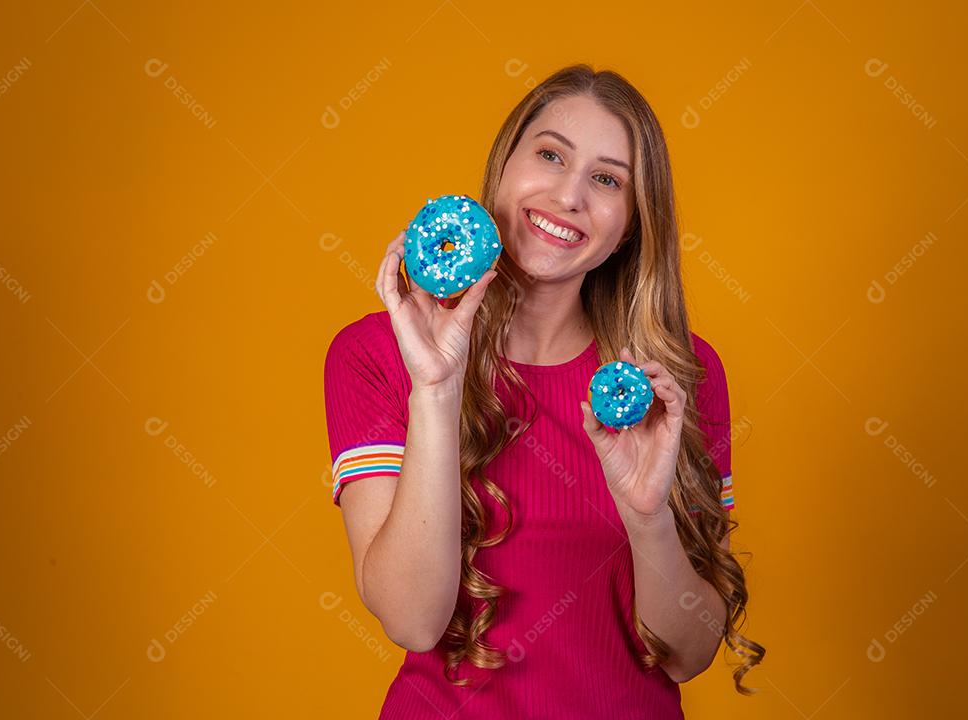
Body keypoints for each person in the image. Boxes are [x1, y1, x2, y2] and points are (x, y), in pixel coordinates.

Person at [323, 63, 765, 719]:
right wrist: (437, 391)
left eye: (607, 179)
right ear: (505, 166)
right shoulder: (378, 353)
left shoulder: (675, 378)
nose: (567, 195)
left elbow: (688, 653)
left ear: (632, 226)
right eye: (551, 154)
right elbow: (413, 621)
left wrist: (648, 521)